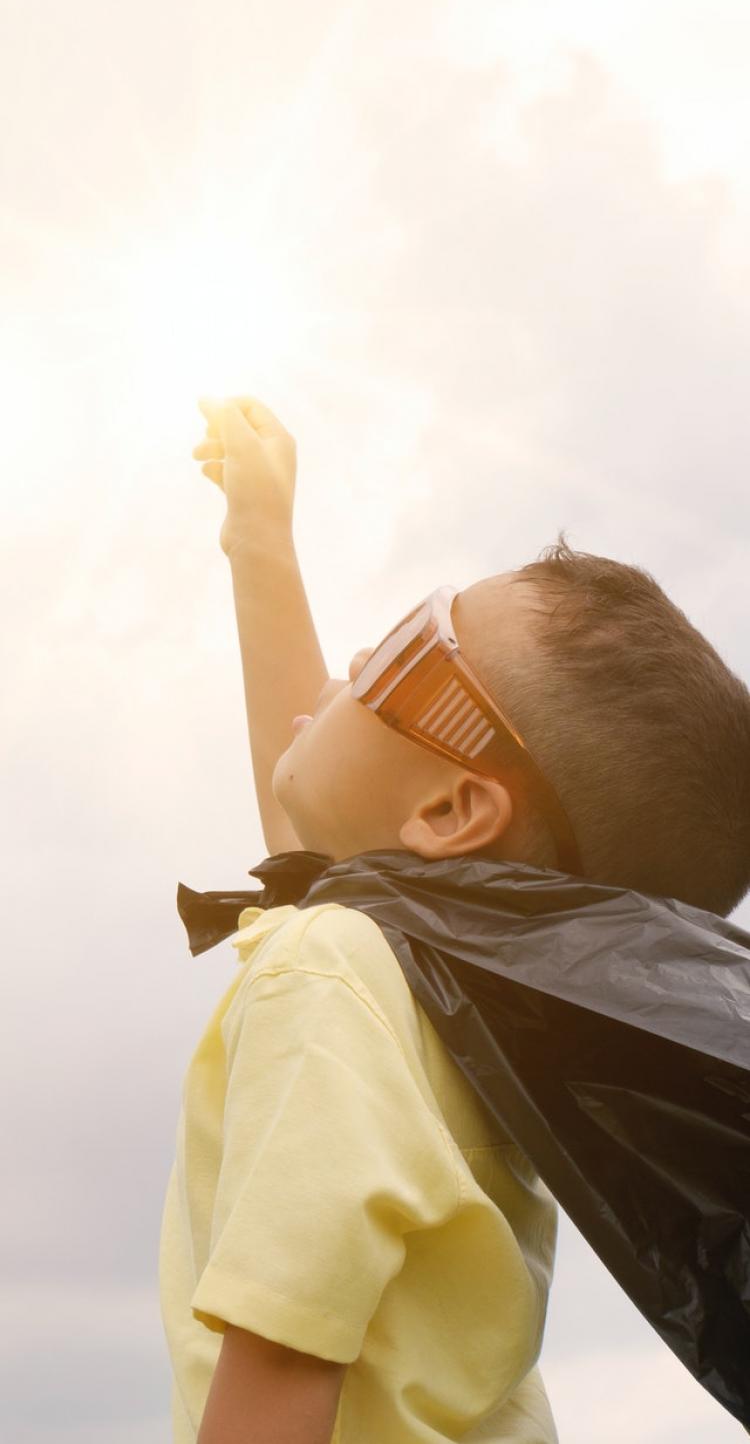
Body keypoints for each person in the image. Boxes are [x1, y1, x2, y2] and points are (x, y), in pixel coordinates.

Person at [159, 395, 750, 1444]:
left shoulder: (336, 971)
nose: (349, 667)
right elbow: (323, 833)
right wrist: (259, 537)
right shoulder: (456, 982)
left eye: (398, 650)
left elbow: (287, 1355)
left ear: (450, 810)